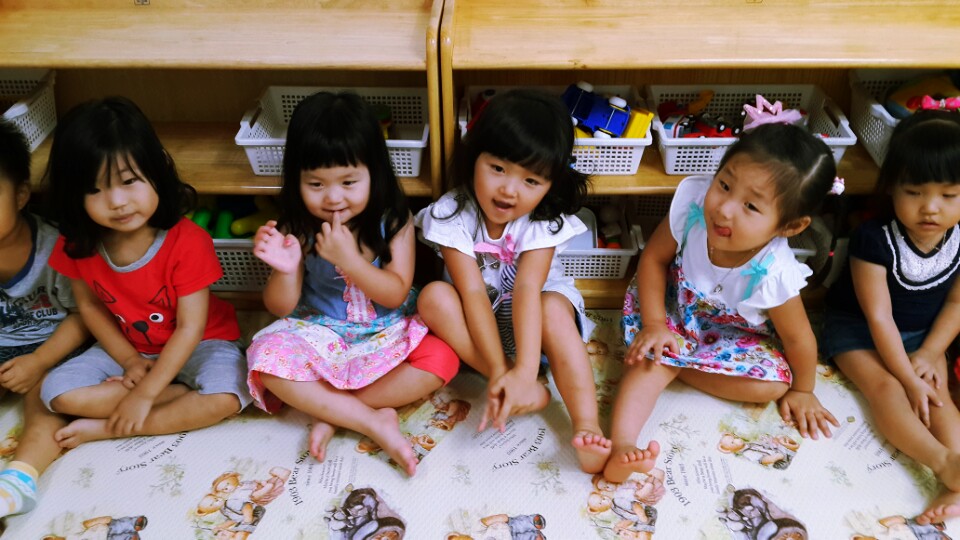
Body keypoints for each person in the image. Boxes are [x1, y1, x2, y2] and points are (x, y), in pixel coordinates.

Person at [611, 122, 840, 482]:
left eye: (751, 206)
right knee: (649, 358)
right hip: (672, 311)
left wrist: (803, 390)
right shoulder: (693, 208)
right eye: (724, 185)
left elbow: (799, 338)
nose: (725, 209)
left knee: (773, 386)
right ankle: (621, 445)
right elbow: (652, 260)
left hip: (733, 336)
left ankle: (677, 365)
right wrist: (654, 324)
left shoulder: (775, 271)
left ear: (791, 227)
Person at [245, 91, 459, 477]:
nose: (333, 197)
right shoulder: (298, 227)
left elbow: (395, 292)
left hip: (387, 329)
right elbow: (280, 307)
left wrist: (349, 261)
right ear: (296, 179)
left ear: (374, 173)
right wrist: (284, 269)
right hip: (321, 332)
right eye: (315, 184)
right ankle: (369, 419)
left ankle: (332, 410)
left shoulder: (394, 219)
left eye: (348, 181)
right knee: (265, 359)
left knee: (443, 358)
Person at [415, 88, 611, 473]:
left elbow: (526, 289)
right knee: (433, 297)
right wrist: (504, 371)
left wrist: (526, 367)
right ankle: (506, 380)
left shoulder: (543, 220)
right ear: (474, 157)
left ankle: (587, 425)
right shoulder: (451, 212)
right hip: (481, 330)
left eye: (531, 180)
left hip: (537, 329)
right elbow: (472, 292)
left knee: (551, 306)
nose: (509, 190)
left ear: (551, 185)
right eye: (498, 169)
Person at [38, 96, 251, 449]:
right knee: (56, 392)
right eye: (94, 189)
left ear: (157, 169)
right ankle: (176, 396)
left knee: (228, 396)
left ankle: (114, 427)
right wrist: (129, 360)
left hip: (202, 342)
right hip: (130, 347)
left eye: (129, 181)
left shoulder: (188, 241)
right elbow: (89, 306)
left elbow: (190, 327)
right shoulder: (77, 243)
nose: (117, 202)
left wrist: (145, 394)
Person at [820, 109, 960, 526]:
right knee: (887, 388)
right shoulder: (874, 239)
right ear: (892, 188)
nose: (930, 208)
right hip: (858, 329)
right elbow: (878, 317)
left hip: (923, 334)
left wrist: (930, 353)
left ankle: (956, 479)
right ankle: (941, 462)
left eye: (949, 195)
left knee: (938, 394)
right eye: (914, 192)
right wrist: (907, 377)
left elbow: (956, 304)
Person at [0, 119, 89, 519]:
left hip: (54, 346)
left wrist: (38, 361)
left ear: (20, 195)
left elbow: (83, 316)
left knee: (46, 399)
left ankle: (19, 479)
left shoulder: (57, 247)